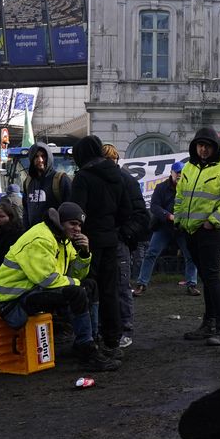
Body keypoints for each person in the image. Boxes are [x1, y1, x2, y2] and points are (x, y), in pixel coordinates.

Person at [0, 202, 115, 371]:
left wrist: (84, 253)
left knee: (90, 285)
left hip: (32, 289)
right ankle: (87, 354)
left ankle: (90, 343)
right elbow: (48, 280)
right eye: (73, 223)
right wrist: (78, 285)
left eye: (79, 225)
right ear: (61, 221)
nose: (78, 229)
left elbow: (76, 275)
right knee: (78, 291)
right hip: (14, 300)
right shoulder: (41, 238)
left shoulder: (62, 239)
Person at [175, 127, 220, 346]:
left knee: (212, 277)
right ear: (195, 146)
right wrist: (179, 220)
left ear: (215, 147)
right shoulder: (188, 167)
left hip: (212, 231)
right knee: (207, 278)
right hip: (192, 230)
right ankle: (210, 323)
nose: (203, 149)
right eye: (199, 145)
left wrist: (212, 221)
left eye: (207, 146)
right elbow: (180, 195)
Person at [69, 135, 133, 361]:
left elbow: (76, 213)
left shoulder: (83, 178)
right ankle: (112, 340)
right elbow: (127, 210)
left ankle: (87, 338)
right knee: (110, 290)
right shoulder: (118, 176)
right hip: (111, 239)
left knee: (85, 288)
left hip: (88, 241)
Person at [102, 142, 149, 349]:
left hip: (117, 240)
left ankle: (125, 328)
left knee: (121, 285)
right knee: (113, 286)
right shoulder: (122, 180)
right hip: (113, 239)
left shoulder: (125, 181)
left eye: (112, 160)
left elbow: (140, 213)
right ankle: (114, 329)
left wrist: (124, 234)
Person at [133, 161, 199, 296]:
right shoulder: (161, 187)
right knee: (151, 253)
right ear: (171, 173)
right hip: (163, 227)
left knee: (191, 255)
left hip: (182, 227)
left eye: (182, 173)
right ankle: (141, 284)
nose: (180, 175)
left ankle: (191, 284)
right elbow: (154, 207)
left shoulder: (189, 188)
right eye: (177, 173)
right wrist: (168, 216)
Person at [22, 143, 72, 229]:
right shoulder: (28, 182)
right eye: (36, 156)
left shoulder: (61, 179)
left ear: (49, 158)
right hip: (32, 236)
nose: (40, 160)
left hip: (54, 237)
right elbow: (25, 211)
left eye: (43, 156)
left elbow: (70, 211)